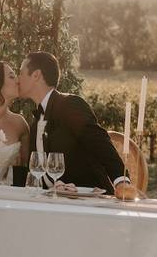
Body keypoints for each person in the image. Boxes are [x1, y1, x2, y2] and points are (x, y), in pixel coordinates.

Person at [18, 51, 137, 199]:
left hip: (90, 199)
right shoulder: (36, 122)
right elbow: (38, 173)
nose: (18, 79)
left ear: (36, 75)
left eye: (21, 73)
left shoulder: (69, 105)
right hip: (56, 202)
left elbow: (100, 142)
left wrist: (121, 181)